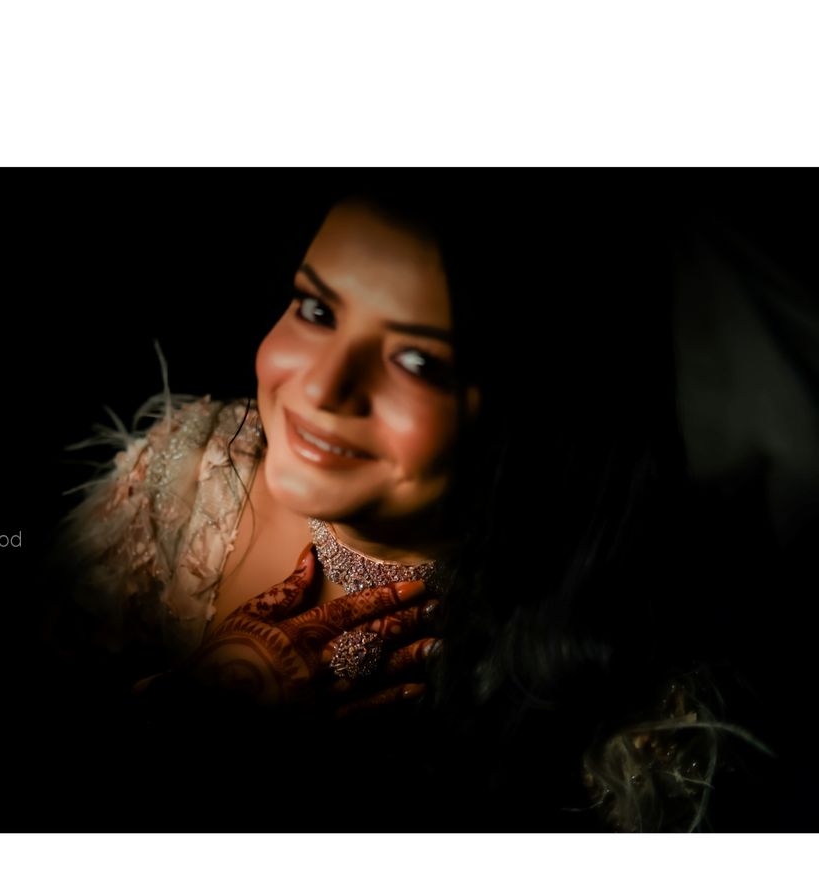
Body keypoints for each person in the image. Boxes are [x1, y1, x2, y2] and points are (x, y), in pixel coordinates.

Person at [54, 179, 755, 831]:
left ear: (544, 414)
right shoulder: (189, 470)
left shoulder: (629, 673)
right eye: (318, 310)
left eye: (418, 361)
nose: (322, 387)